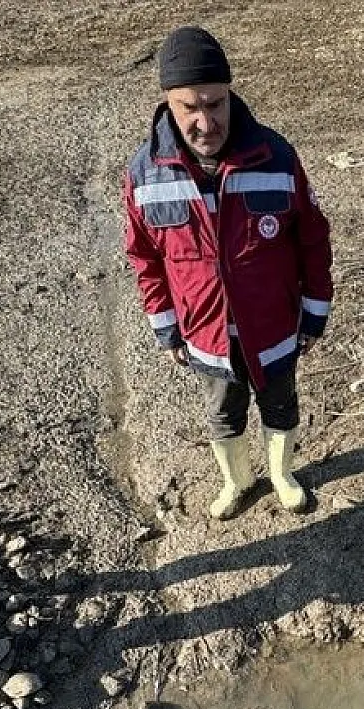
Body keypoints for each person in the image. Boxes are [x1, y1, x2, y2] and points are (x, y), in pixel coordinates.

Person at [123, 26, 334, 520]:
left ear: (230, 93)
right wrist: (166, 326)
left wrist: (314, 312)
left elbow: (312, 239)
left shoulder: (276, 156)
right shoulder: (144, 173)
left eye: (214, 104)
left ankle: (282, 474)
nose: (204, 121)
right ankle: (238, 480)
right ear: (166, 102)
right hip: (205, 333)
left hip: (274, 327)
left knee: (281, 405)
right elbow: (144, 258)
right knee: (223, 413)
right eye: (188, 107)